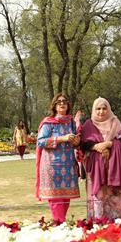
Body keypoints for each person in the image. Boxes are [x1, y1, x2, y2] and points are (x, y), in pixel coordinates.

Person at [79, 97, 121, 220]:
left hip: (113, 165)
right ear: (94, 110)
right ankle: (97, 220)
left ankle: (116, 220)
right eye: (98, 109)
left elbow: (120, 142)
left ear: (108, 109)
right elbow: (83, 145)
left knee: (113, 193)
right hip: (95, 167)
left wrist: (108, 144)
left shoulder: (115, 122)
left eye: (104, 108)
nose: (101, 111)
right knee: (98, 194)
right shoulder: (88, 124)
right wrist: (96, 146)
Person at [35, 93, 81, 223]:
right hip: (52, 166)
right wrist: (61, 138)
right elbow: (41, 141)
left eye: (65, 101)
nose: (62, 103)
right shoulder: (49, 122)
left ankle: (61, 221)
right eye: (59, 102)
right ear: (54, 105)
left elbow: (76, 142)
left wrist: (76, 141)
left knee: (65, 197)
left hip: (68, 165)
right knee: (56, 198)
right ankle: (59, 222)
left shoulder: (71, 122)